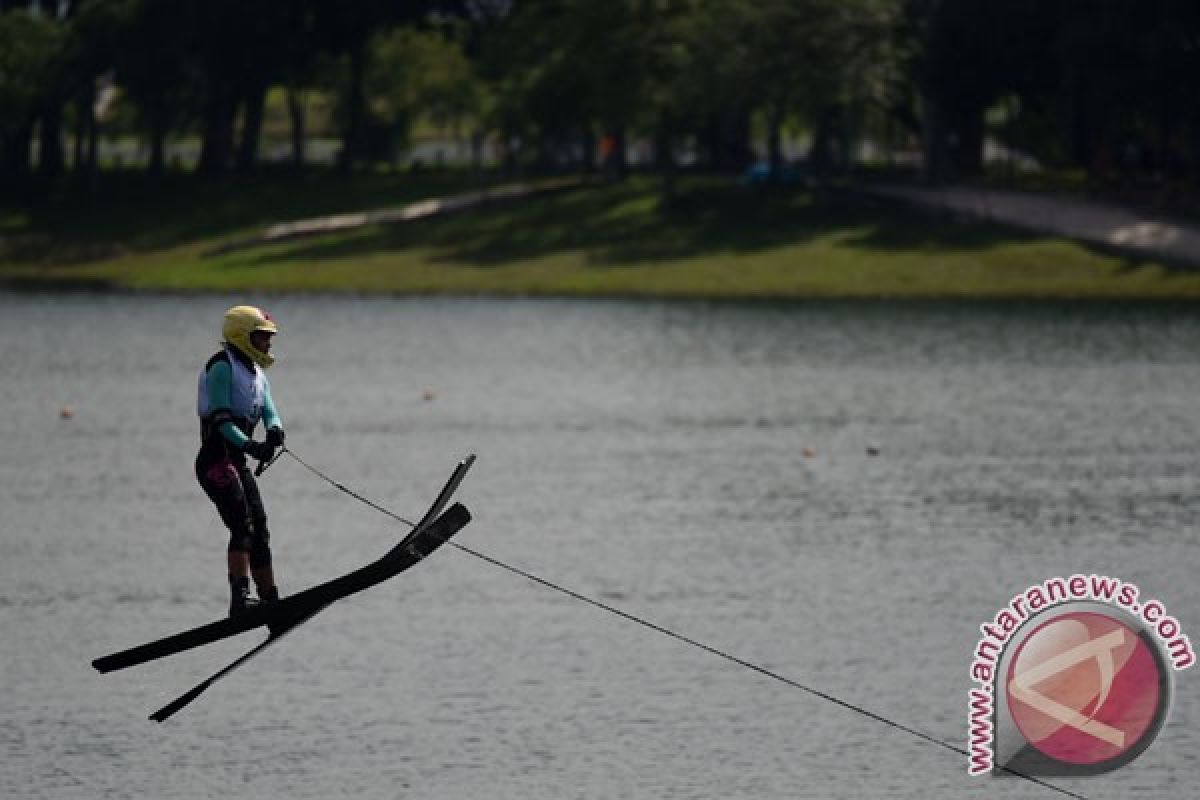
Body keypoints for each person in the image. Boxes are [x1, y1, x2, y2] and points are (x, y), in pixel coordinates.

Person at [195, 305, 286, 617]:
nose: (268, 343)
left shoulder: (257, 374)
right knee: (242, 526)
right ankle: (240, 600)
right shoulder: (221, 367)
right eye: (262, 337)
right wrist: (250, 444)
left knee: (260, 530)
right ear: (242, 336)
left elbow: (269, 411)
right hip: (215, 462)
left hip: (237, 462)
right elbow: (221, 419)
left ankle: (271, 601)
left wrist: (274, 431)